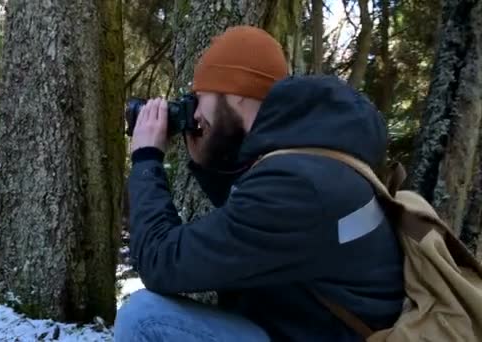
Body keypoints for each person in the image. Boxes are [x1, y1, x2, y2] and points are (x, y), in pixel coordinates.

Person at [114, 25, 405, 342]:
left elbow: (160, 261)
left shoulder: (297, 187)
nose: (194, 113)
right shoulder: (315, 160)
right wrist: (207, 159)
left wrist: (145, 158)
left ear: (236, 94)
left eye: (199, 97)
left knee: (144, 318)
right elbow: (249, 229)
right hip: (316, 329)